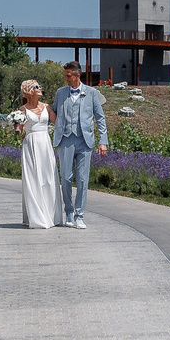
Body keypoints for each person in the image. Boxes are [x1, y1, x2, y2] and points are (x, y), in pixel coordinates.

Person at [52, 63, 110, 227]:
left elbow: (100, 118)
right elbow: (53, 112)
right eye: (65, 75)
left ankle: (79, 216)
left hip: (85, 141)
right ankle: (68, 213)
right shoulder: (60, 93)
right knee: (66, 177)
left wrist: (103, 141)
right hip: (65, 140)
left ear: (77, 75)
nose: (66, 78)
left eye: (68, 75)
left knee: (83, 180)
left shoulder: (92, 93)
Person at [7, 79, 59, 228]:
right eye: (36, 87)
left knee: (48, 178)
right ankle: (36, 216)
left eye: (40, 86)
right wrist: (16, 125)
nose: (40, 88)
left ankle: (50, 215)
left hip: (45, 144)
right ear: (29, 91)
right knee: (33, 178)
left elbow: (58, 123)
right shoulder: (22, 109)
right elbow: (19, 132)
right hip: (30, 143)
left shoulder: (47, 107)